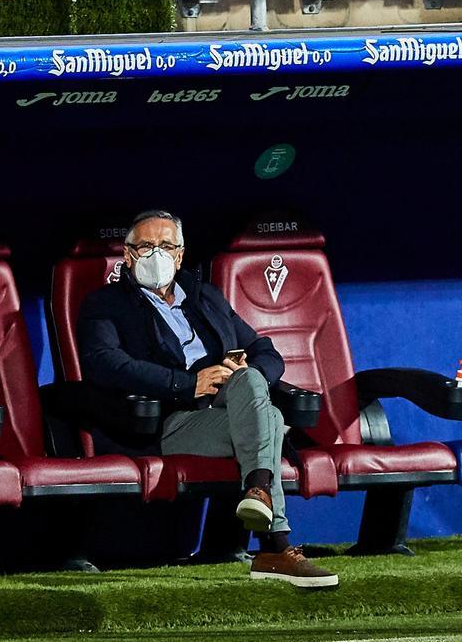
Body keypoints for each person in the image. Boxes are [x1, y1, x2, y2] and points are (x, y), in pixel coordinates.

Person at [78, 209, 337, 588]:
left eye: (166, 246)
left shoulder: (206, 297)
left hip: (230, 406)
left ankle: (262, 501)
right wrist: (187, 383)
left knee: (250, 379)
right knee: (272, 423)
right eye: (146, 246)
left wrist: (247, 376)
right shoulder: (105, 304)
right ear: (128, 255)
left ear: (180, 254)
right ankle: (275, 544)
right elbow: (105, 364)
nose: (156, 255)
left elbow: (266, 350)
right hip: (171, 419)